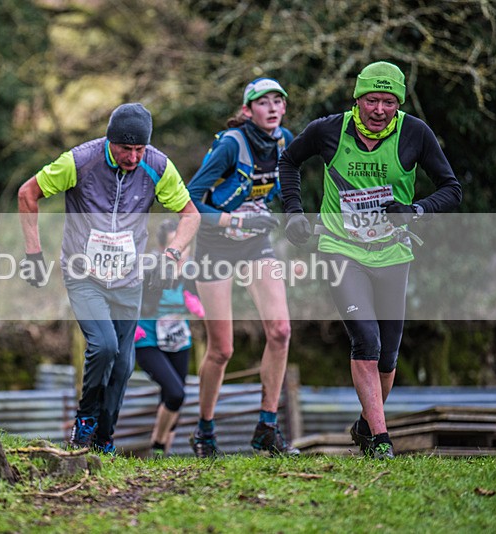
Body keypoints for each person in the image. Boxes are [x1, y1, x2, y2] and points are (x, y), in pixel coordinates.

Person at [279, 61, 462, 459]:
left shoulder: (415, 133)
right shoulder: (328, 130)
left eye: (388, 102)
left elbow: (451, 189)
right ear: (357, 99)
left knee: (390, 354)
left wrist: (414, 210)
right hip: (341, 249)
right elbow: (289, 161)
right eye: (371, 101)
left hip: (393, 252)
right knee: (367, 337)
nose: (379, 110)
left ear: (398, 104)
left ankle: (365, 425)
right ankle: (381, 440)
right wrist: (293, 211)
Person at [18, 103, 201, 453]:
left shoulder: (158, 167)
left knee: (124, 364)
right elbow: (28, 193)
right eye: (124, 149)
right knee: (104, 346)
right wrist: (33, 254)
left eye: (139, 149)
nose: (132, 157)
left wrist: (172, 254)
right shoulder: (80, 161)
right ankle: (85, 421)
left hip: (128, 280)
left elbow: (190, 216)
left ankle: (104, 439)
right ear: (109, 140)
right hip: (83, 274)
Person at [186, 77, 299, 457]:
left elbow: (286, 188)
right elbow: (190, 201)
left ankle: (267, 426)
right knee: (222, 350)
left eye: (277, 101)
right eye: (262, 102)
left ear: (284, 108)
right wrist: (233, 221)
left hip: (255, 245)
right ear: (248, 110)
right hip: (215, 246)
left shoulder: (285, 141)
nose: (271, 108)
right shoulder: (231, 145)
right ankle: (204, 431)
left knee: (281, 331)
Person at [134, 219, 205, 457]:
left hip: (178, 338)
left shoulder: (191, 270)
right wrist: (129, 323)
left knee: (171, 398)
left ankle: (162, 454)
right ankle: (157, 444)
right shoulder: (150, 266)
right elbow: (128, 294)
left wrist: (192, 300)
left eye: (186, 246)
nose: (182, 251)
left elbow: (196, 294)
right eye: (177, 246)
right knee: (176, 392)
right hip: (148, 339)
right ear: (165, 248)